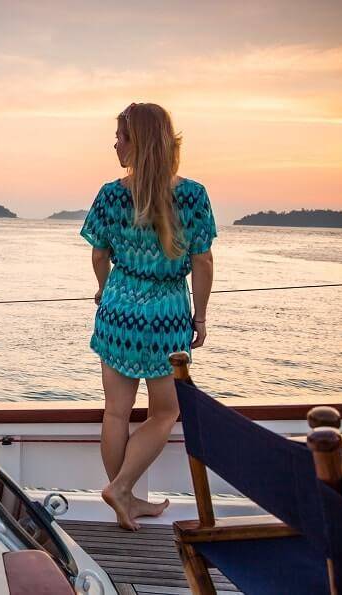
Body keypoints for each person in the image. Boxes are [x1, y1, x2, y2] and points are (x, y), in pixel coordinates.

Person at [81, 102, 216, 531]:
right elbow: (204, 262)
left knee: (116, 412)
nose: (115, 144)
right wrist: (201, 317)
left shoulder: (111, 194)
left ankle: (124, 493)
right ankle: (126, 493)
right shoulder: (193, 195)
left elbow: (99, 253)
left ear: (137, 142)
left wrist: (105, 287)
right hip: (167, 316)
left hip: (118, 310)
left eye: (120, 137)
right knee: (164, 413)